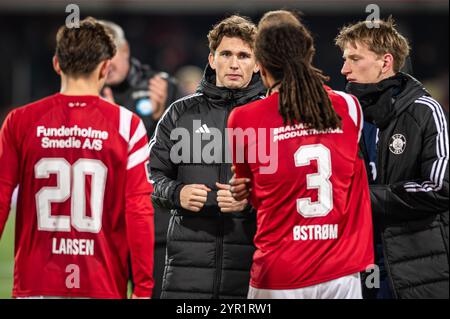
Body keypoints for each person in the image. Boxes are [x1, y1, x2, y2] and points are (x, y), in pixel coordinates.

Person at [0, 17, 154, 299]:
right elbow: (139, 211)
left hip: (36, 280)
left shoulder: (20, 121)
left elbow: (0, 200)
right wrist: (143, 288)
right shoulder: (127, 125)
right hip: (102, 281)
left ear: (57, 63)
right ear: (106, 67)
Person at [228, 10, 374, 299]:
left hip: (280, 272)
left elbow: (253, 195)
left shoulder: (243, 119)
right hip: (342, 272)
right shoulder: (349, 107)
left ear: (262, 66)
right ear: (309, 55)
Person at [148, 15, 265, 299]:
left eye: (244, 55)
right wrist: (177, 193)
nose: (234, 63)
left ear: (258, 63)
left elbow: (291, 190)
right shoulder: (179, 113)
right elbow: (150, 176)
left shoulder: (272, 116)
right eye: (226, 54)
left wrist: (249, 201)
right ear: (212, 60)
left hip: (253, 271)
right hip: (186, 274)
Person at [335, 17, 449, 298]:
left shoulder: (425, 111)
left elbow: (440, 187)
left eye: (354, 58)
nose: (344, 69)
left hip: (418, 270)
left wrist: (361, 198)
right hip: (358, 267)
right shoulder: (346, 117)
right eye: (344, 59)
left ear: (385, 62)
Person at [98, 20, 177, 299]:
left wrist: (162, 118)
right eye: (99, 56)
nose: (107, 63)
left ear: (126, 49)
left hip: (153, 226)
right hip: (105, 228)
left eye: (112, 53)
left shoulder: (162, 87)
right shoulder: (86, 93)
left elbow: (188, 153)